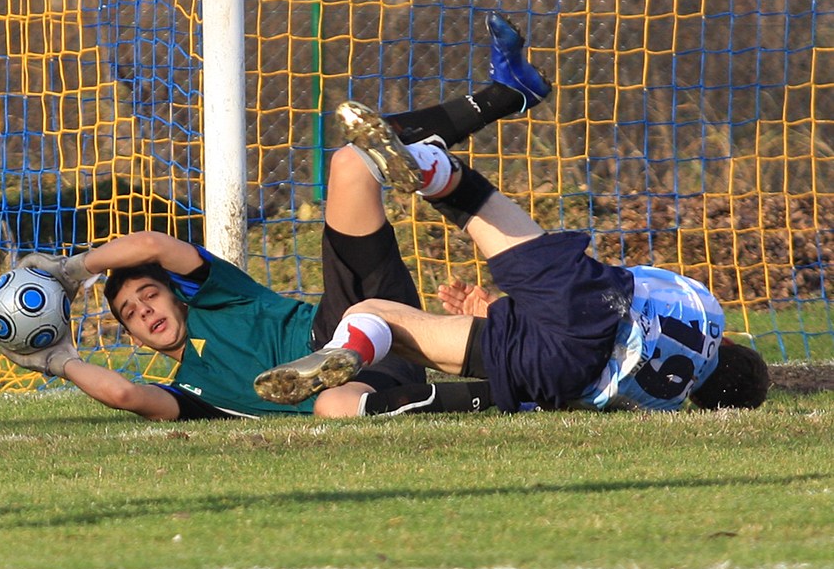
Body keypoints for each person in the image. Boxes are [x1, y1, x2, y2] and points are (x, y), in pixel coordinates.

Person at [0, 13, 553, 420]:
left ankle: (504, 94)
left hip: (344, 311)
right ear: (131, 337)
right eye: (129, 313)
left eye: (149, 295)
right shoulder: (195, 391)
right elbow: (125, 395)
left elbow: (155, 244)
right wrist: (58, 361)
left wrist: (72, 270)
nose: (144, 311)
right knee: (334, 405)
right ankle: (526, 393)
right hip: (378, 374)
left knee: (351, 163)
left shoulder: (220, 297)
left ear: (175, 294)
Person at [255, 101, 771, 413]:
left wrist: (527, 297)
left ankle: (425, 166)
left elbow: (632, 283)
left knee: (473, 199)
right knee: (371, 314)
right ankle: (352, 346)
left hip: (592, 306)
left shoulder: (706, 311)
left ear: (726, 343)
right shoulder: (666, 399)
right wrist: (503, 322)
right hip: (563, 372)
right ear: (703, 400)